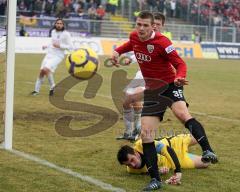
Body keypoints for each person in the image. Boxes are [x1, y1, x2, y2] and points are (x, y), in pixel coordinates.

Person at [111, 11, 217, 191]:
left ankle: (207, 149)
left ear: (153, 26)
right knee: (146, 134)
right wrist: (116, 51)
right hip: (152, 91)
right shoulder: (134, 37)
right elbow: (130, 44)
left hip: (170, 85)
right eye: (139, 24)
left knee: (182, 114)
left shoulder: (163, 42)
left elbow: (180, 64)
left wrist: (180, 77)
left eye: (146, 25)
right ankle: (155, 179)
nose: (141, 28)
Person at [116, 12, 166, 141]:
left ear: (162, 26)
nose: (155, 27)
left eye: (158, 24)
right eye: (154, 24)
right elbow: (138, 50)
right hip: (140, 73)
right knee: (126, 101)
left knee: (136, 99)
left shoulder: (163, 42)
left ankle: (138, 130)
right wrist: (130, 59)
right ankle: (128, 132)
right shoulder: (143, 38)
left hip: (153, 78)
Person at [117, 134, 210, 183]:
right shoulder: (132, 170)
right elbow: (148, 171)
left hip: (173, 144)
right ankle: (188, 155)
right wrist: (159, 171)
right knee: (206, 163)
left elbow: (168, 150)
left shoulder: (142, 144)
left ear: (136, 153)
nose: (132, 165)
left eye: (132, 160)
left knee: (199, 137)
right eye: (128, 164)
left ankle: (209, 150)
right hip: (174, 161)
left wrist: (177, 171)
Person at [31, 18, 73, 96]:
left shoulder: (66, 34)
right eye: (58, 23)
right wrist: (46, 46)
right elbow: (52, 42)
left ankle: (53, 86)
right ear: (55, 24)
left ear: (63, 25)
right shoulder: (53, 31)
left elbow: (71, 47)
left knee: (45, 69)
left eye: (61, 23)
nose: (59, 25)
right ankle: (36, 91)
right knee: (42, 72)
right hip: (49, 54)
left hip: (58, 56)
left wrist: (60, 45)